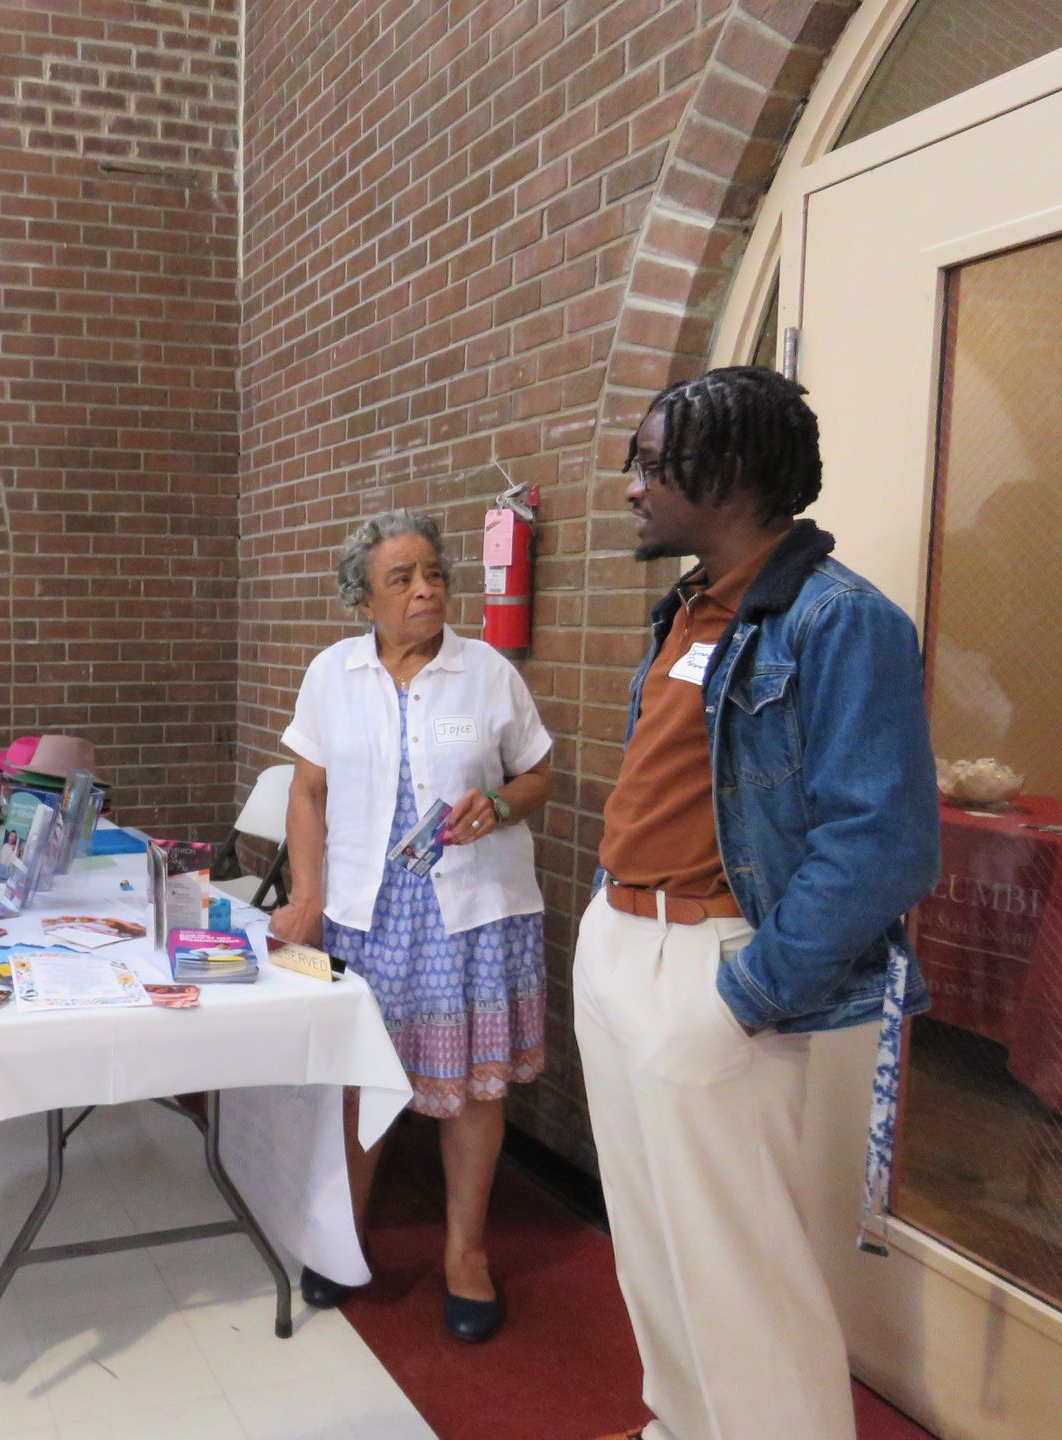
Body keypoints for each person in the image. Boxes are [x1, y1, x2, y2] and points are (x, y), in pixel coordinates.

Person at [578, 366, 939, 1440]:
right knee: (652, 1247)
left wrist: (744, 997)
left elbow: (881, 845)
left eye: (650, 463)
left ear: (727, 473)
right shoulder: (688, 606)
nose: (632, 485)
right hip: (620, 942)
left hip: (717, 965)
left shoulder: (840, 621)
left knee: (742, 1274)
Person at [270, 509, 553, 1343]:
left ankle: (467, 1253)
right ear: (364, 599)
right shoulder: (332, 674)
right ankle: (345, 1230)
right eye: (403, 578)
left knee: (471, 1092)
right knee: (361, 1079)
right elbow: (307, 791)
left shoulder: (487, 673)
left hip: (468, 917)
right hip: (365, 913)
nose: (427, 590)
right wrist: (309, 894)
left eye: (434, 574)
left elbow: (538, 773)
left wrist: (498, 804)